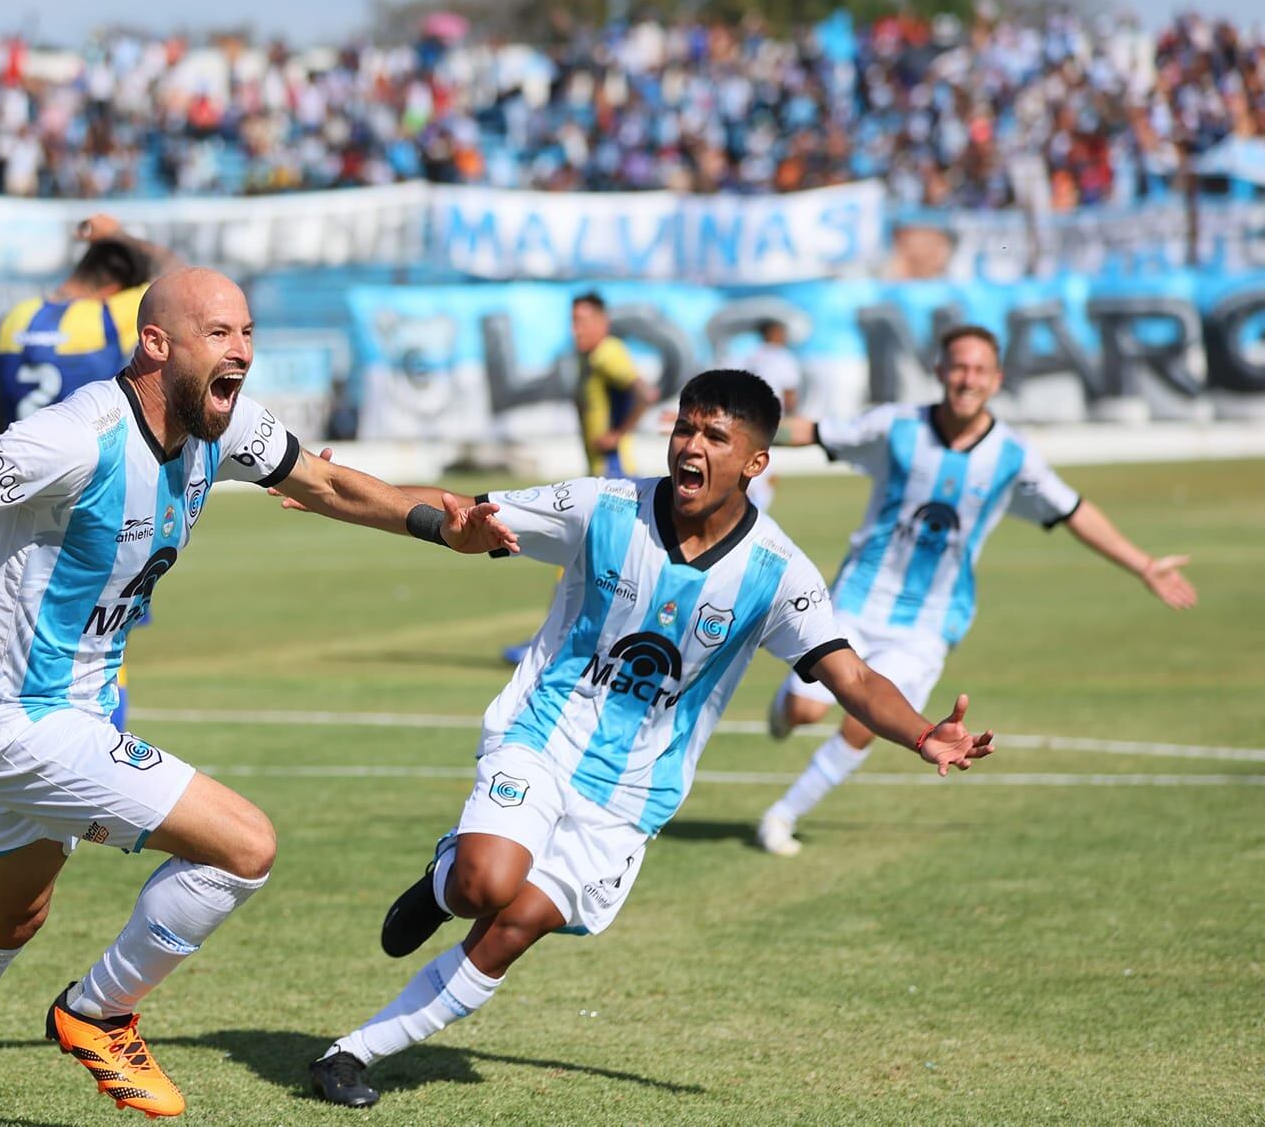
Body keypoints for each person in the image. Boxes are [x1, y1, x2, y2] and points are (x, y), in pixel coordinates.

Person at [0, 266, 520, 1127]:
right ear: (157, 345)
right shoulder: (77, 436)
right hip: (17, 720)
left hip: (75, 712)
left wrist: (440, 525)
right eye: (220, 335)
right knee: (244, 846)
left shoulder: (222, 427)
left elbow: (331, 485)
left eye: (248, 335)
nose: (241, 352)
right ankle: (98, 1013)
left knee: (8, 919)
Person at [303, 369, 997, 1109]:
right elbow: (460, 518)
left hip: (633, 794)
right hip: (546, 736)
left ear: (756, 463)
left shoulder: (779, 573)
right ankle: (450, 876)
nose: (690, 446)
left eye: (714, 436)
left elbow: (852, 678)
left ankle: (349, 1055)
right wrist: (326, 483)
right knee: (486, 886)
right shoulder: (601, 508)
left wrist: (924, 734)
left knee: (512, 931)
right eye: (684, 428)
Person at [753, 324, 1196, 856]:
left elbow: (1074, 511)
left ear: (996, 380)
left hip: (932, 621)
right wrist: (736, 425)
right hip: (857, 599)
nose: (968, 379)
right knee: (804, 712)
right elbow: (814, 431)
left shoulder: (1012, 455)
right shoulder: (896, 426)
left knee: (866, 723)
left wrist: (1144, 564)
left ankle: (782, 816)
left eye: (979, 370)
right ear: (940, 371)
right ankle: (785, 711)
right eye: (958, 367)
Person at [0, 214, 178, 729]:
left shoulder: (12, 320)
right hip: (95, 501)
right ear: (117, 283)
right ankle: (98, 779)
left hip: (18, 505)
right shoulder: (112, 312)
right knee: (101, 649)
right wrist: (120, 234)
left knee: (21, 650)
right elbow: (184, 283)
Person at [500, 292, 656, 663]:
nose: (576, 330)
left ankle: (553, 642)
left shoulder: (607, 354)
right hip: (604, 473)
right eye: (573, 322)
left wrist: (618, 434)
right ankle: (578, 639)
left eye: (583, 321)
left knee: (577, 556)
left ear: (602, 322)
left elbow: (642, 393)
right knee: (599, 561)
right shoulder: (590, 359)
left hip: (614, 472)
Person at [0, 215, 178, 434]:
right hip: (84, 464)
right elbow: (180, 281)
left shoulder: (12, 319)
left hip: (17, 462)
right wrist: (118, 235)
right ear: (114, 288)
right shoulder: (108, 317)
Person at [731, 318, 802, 512]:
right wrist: (792, 419)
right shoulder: (783, 356)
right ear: (772, 333)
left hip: (745, 418)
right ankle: (753, 513)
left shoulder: (750, 355)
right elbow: (790, 394)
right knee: (767, 471)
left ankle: (746, 509)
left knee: (748, 465)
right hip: (771, 420)